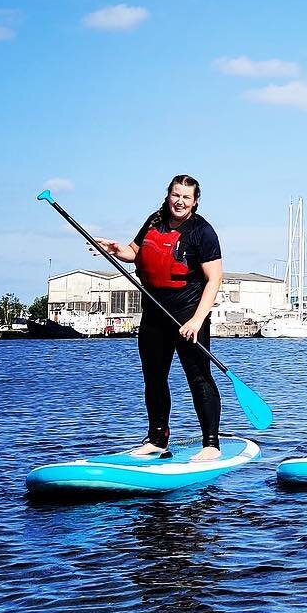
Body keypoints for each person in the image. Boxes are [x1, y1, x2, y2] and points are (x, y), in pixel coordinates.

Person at [93, 175, 224, 461]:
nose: (180, 201)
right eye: (175, 195)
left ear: (195, 201)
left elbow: (214, 279)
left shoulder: (202, 232)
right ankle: (157, 439)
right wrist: (116, 250)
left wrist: (197, 321)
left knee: (199, 378)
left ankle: (211, 444)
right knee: (154, 378)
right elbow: (134, 252)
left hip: (189, 315)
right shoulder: (155, 220)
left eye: (186, 197)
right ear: (168, 196)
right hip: (154, 314)